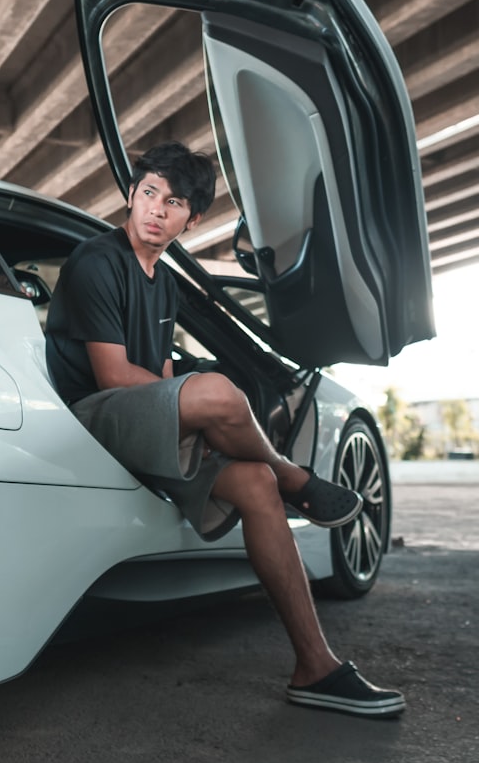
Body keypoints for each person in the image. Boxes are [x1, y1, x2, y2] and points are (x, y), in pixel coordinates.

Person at [45, 141, 404, 718]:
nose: (156, 209)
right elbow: (112, 375)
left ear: (193, 218)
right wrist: (197, 405)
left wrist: (192, 418)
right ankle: (299, 481)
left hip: (142, 421)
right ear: (133, 195)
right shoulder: (97, 259)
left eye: (174, 202)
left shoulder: (163, 282)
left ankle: (316, 666)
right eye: (149, 193)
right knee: (214, 388)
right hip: (93, 415)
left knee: (255, 483)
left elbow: (160, 373)